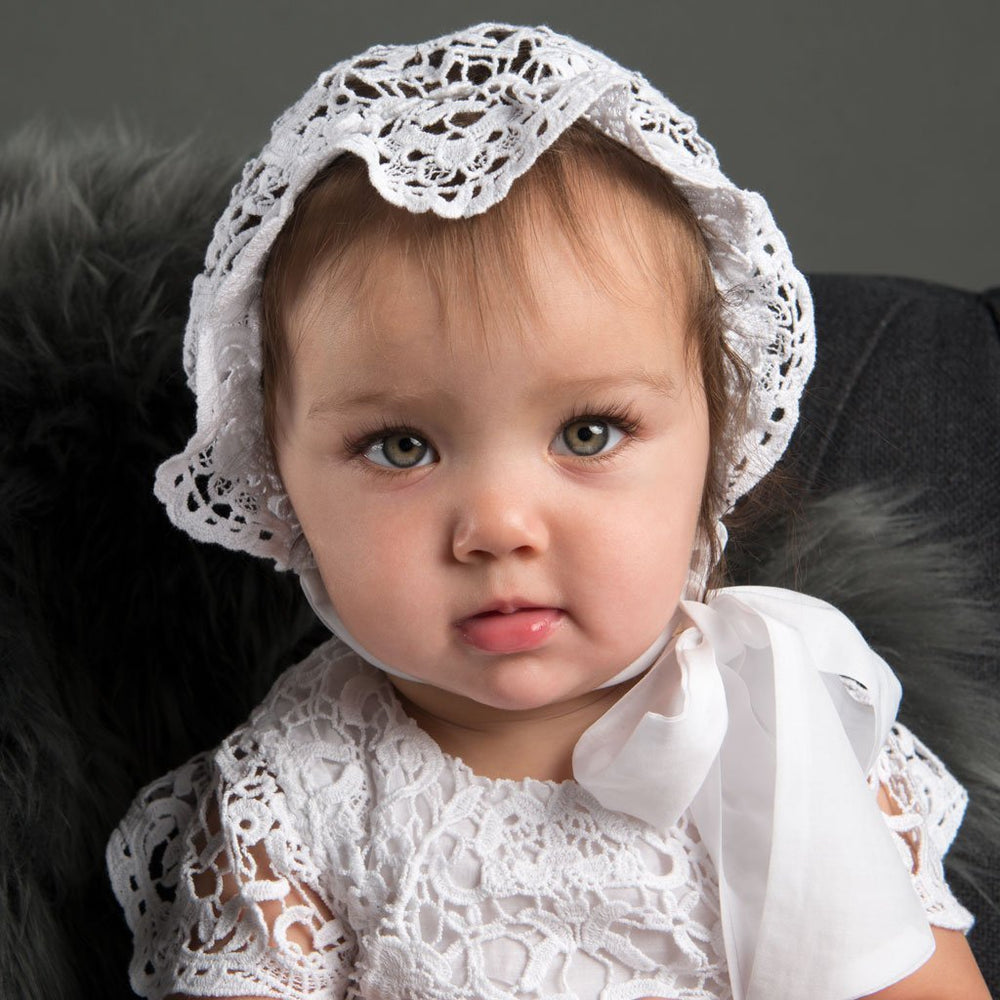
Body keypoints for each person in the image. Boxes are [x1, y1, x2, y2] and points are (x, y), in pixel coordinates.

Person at [105, 23, 990, 1000]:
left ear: (713, 453)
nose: (499, 526)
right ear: (279, 484)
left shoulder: (784, 721)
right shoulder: (300, 792)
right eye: (401, 446)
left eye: (587, 433)